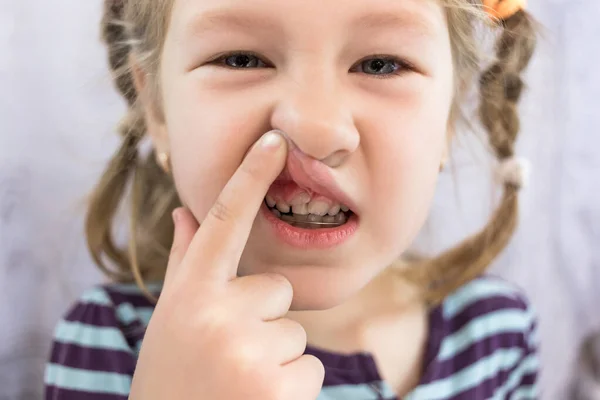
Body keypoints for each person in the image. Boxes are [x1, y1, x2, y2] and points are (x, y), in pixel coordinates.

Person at [44, 0, 539, 398]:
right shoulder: (114, 344)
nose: (315, 128)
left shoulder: (497, 332)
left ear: (448, 121)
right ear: (156, 108)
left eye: (381, 64)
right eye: (241, 59)